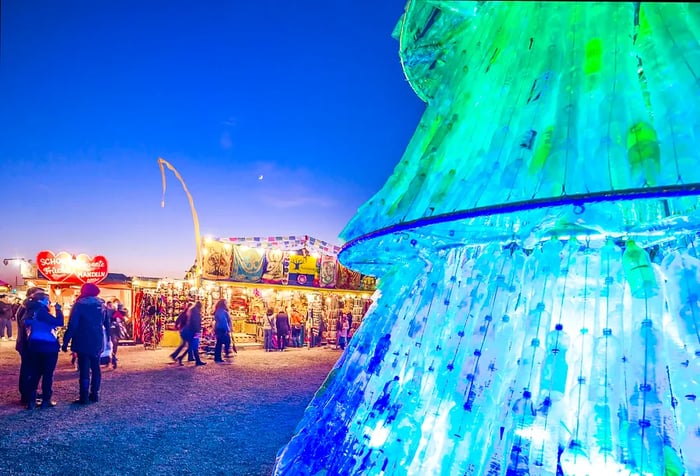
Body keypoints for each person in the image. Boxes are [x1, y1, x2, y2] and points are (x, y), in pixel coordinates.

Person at [62, 283, 109, 404]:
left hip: (82, 338)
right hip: (97, 339)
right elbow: (106, 324)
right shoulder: (102, 304)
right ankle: (95, 394)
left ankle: (84, 396)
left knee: (84, 368)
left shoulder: (80, 304)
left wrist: (66, 341)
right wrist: (107, 339)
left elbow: (73, 325)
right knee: (96, 367)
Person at [24, 291, 64, 409]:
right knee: (47, 374)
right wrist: (58, 310)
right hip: (48, 346)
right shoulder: (41, 311)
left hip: (34, 345)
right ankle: (46, 400)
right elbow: (59, 322)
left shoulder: (29, 311)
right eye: (47, 300)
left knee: (34, 373)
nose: (49, 303)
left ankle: (31, 401)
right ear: (41, 301)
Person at [15, 287, 46, 405]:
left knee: (28, 369)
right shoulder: (28, 308)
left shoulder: (25, 306)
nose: (41, 297)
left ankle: (28, 393)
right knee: (28, 369)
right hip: (27, 344)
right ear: (31, 295)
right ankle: (26, 395)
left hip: (25, 343)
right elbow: (26, 325)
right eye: (39, 295)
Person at [175, 301, 206, 366]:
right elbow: (196, 323)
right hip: (194, 332)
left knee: (192, 346)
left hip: (189, 331)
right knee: (194, 346)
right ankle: (196, 360)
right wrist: (197, 332)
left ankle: (195, 360)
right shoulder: (196, 313)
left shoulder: (192, 311)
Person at [109, 303, 127, 369]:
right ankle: (113, 356)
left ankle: (113, 356)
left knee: (115, 343)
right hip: (114, 330)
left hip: (115, 330)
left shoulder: (118, 313)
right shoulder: (115, 313)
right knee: (114, 343)